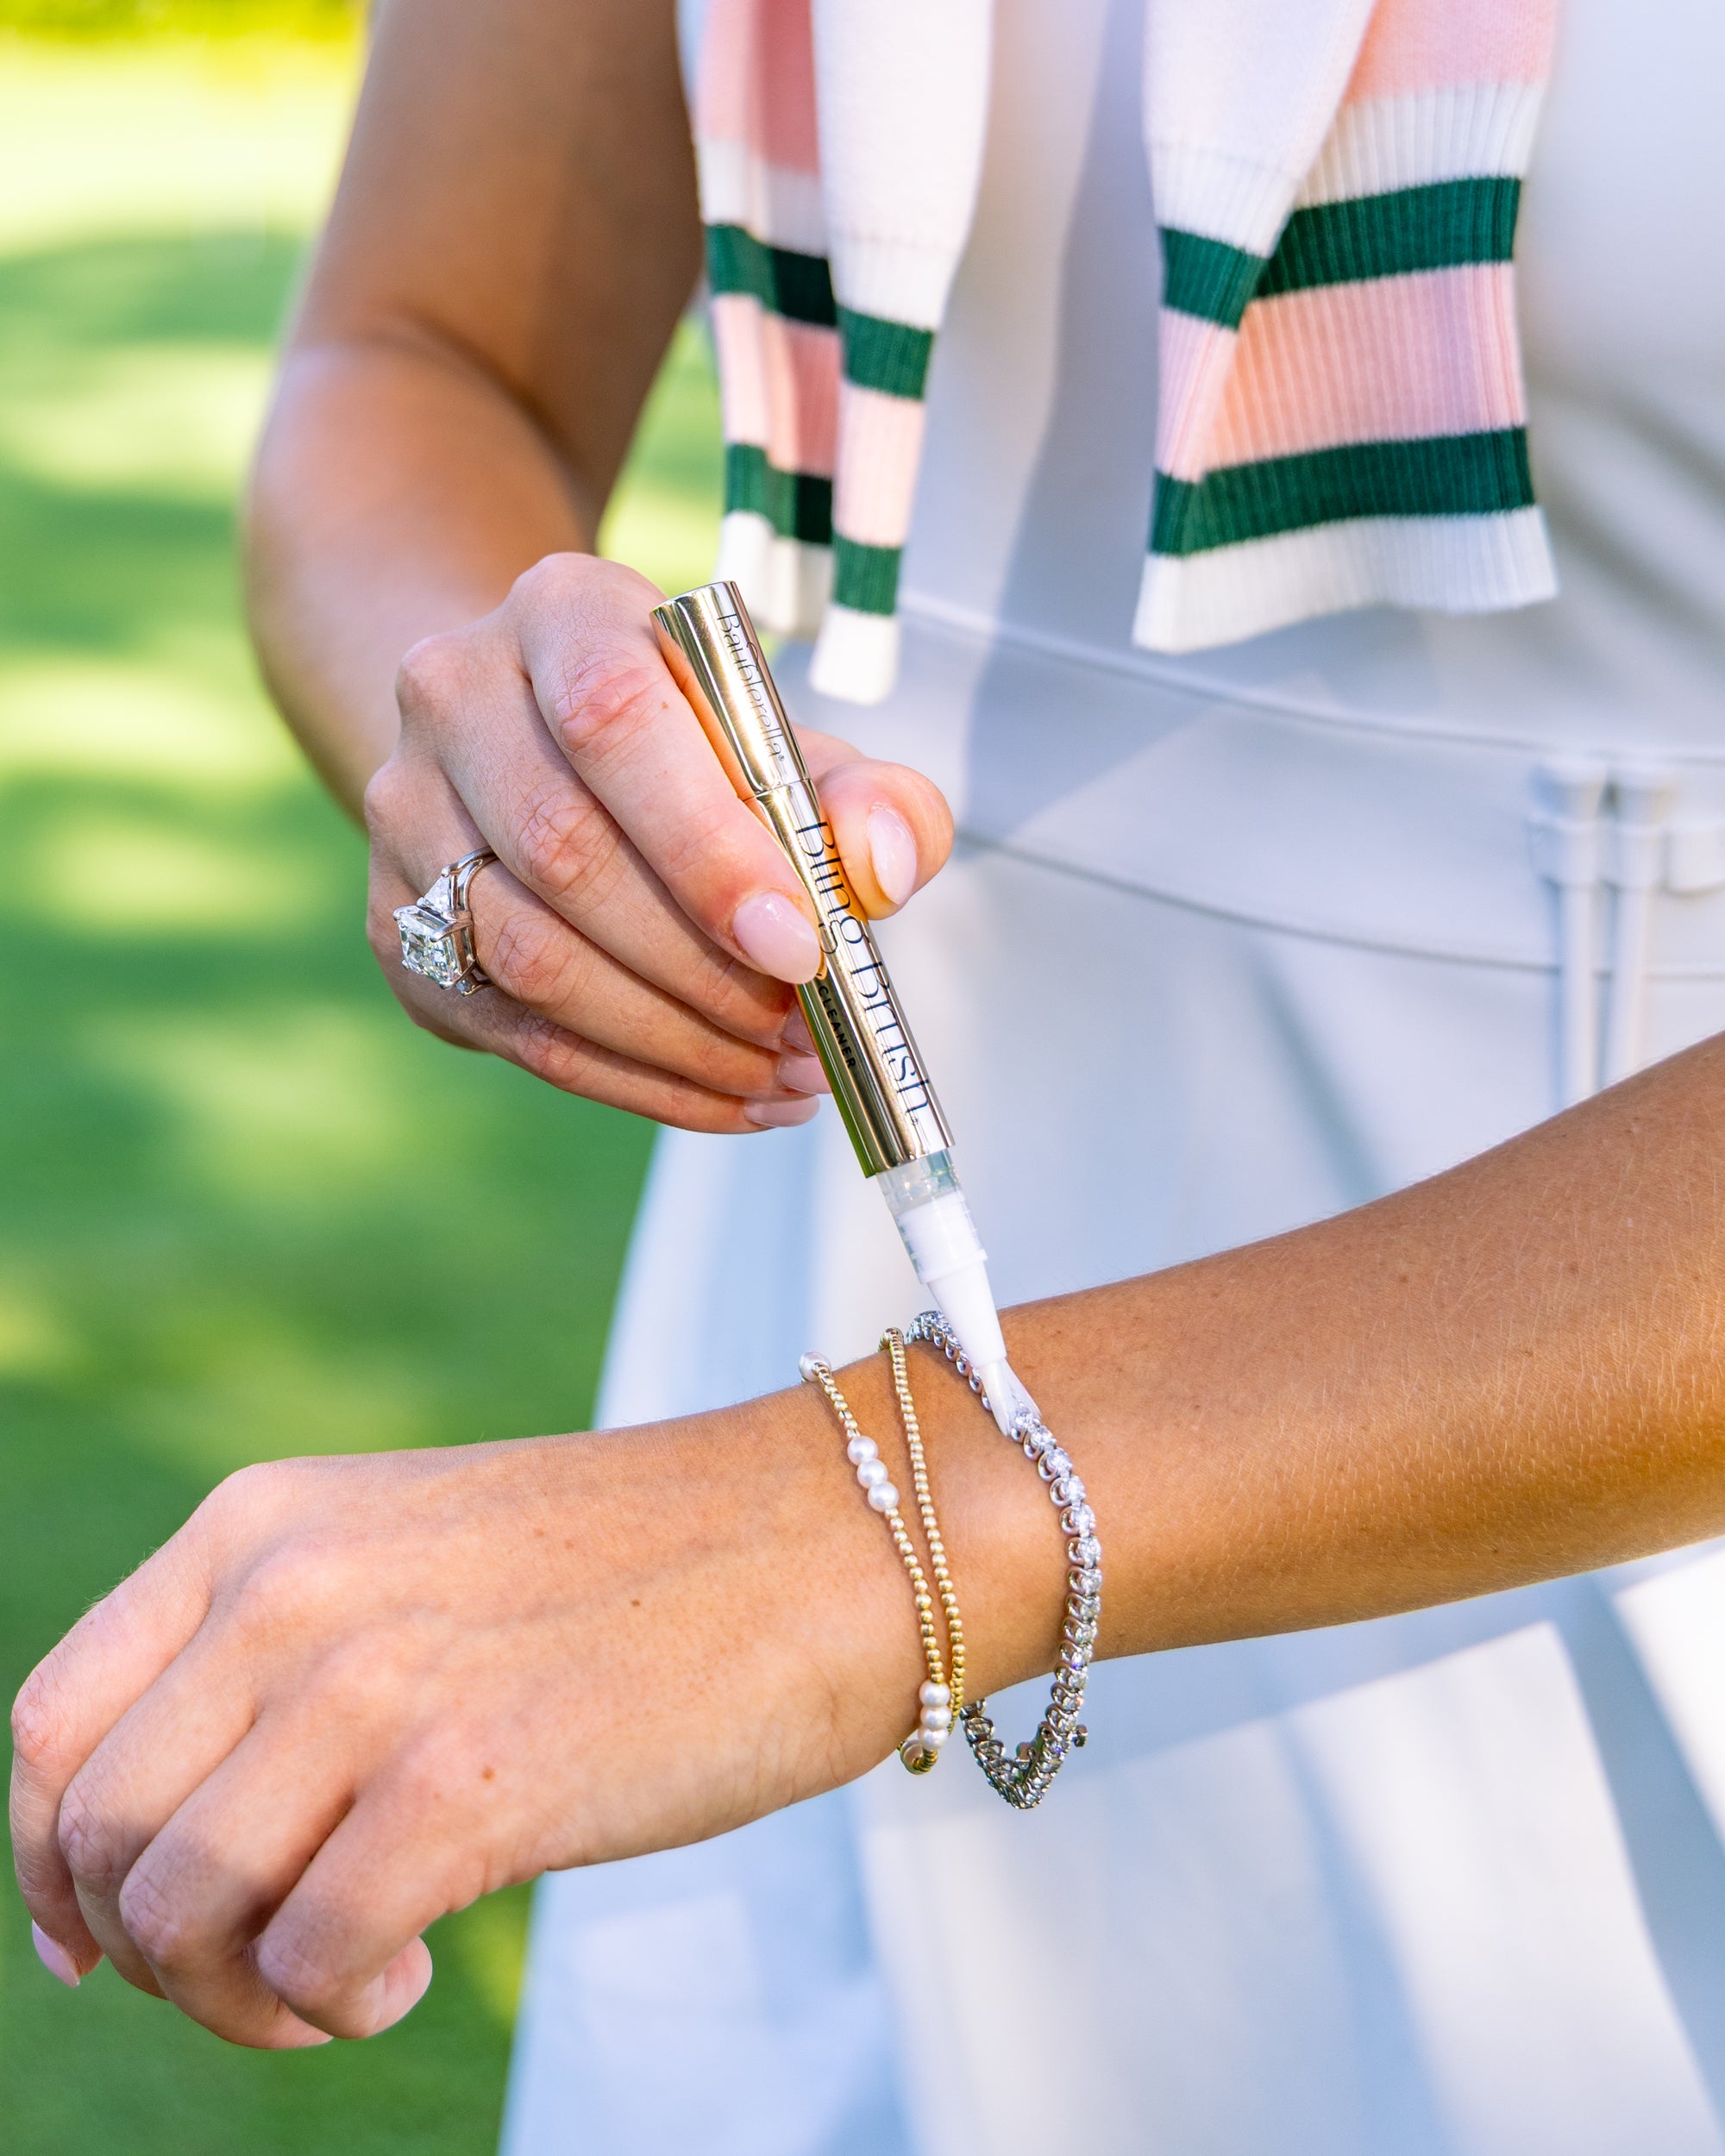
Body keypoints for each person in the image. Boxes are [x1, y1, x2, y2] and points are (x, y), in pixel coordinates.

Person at [13, 0, 1725, 2149]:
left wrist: (865, 1520)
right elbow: (419, 357)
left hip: (1590, 1504)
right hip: (781, 1450)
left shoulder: (825, 1529)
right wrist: (504, 775)